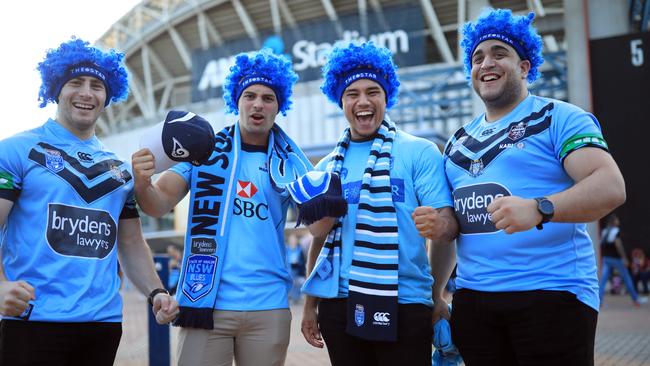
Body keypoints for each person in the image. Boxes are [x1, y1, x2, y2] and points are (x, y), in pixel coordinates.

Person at [444, 9, 626, 365]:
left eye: (499, 53)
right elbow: (450, 225)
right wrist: (437, 293)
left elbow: (610, 185)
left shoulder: (560, 117)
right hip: (473, 301)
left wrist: (540, 208)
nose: (486, 63)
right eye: (477, 57)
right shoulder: (456, 142)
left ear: (525, 67)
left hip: (551, 294)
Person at [0, 38, 178, 366]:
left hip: (102, 324)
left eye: (97, 85)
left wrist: (157, 292)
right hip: (31, 321)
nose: (86, 93)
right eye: (75, 83)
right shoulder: (15, 150)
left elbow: (131, 243)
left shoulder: (120, 170)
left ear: (107, 96)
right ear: (55, 89)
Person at [131, 49, 311, 366]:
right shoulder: (205, 150)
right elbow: (158, 204)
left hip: (267, 305)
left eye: (268, 98)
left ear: (278, 106)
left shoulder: (291, 163)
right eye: (250, 95)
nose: (258, 104)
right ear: (236, 101)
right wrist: (143, 181)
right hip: (204, 303)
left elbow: (319, 225)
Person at [299, 42, 458, 366]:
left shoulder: (419, 152)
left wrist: (436, 295)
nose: (363, 101)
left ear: (387, 97)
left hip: (405, 302)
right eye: (352, 94)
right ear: (340, 100)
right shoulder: (327, 167)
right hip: (339, 306)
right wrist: (309, 305)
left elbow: (445, 230)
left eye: (372, 91)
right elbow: (320, 241)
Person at [599, 215, 647, 306]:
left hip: (606, 258)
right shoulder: (615, 231)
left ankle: (599, 301)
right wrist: (624, 258)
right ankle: (636, 299)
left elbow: (602, 244)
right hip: (616, 259)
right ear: (614, 221)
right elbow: (618, 245)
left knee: (603, 280)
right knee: (627, 278)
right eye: (617, 220)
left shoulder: (605, 231)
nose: (618, 221)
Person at [286, 233, 306, 304]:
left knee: (300, 283)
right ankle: (292, 298)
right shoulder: (286, 250)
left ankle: (297, 298)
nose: (293, 241)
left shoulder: (300, 250)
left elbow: (303, 262)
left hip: (298, 272)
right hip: (289, 272)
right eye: (291, 240)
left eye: (294, 239)